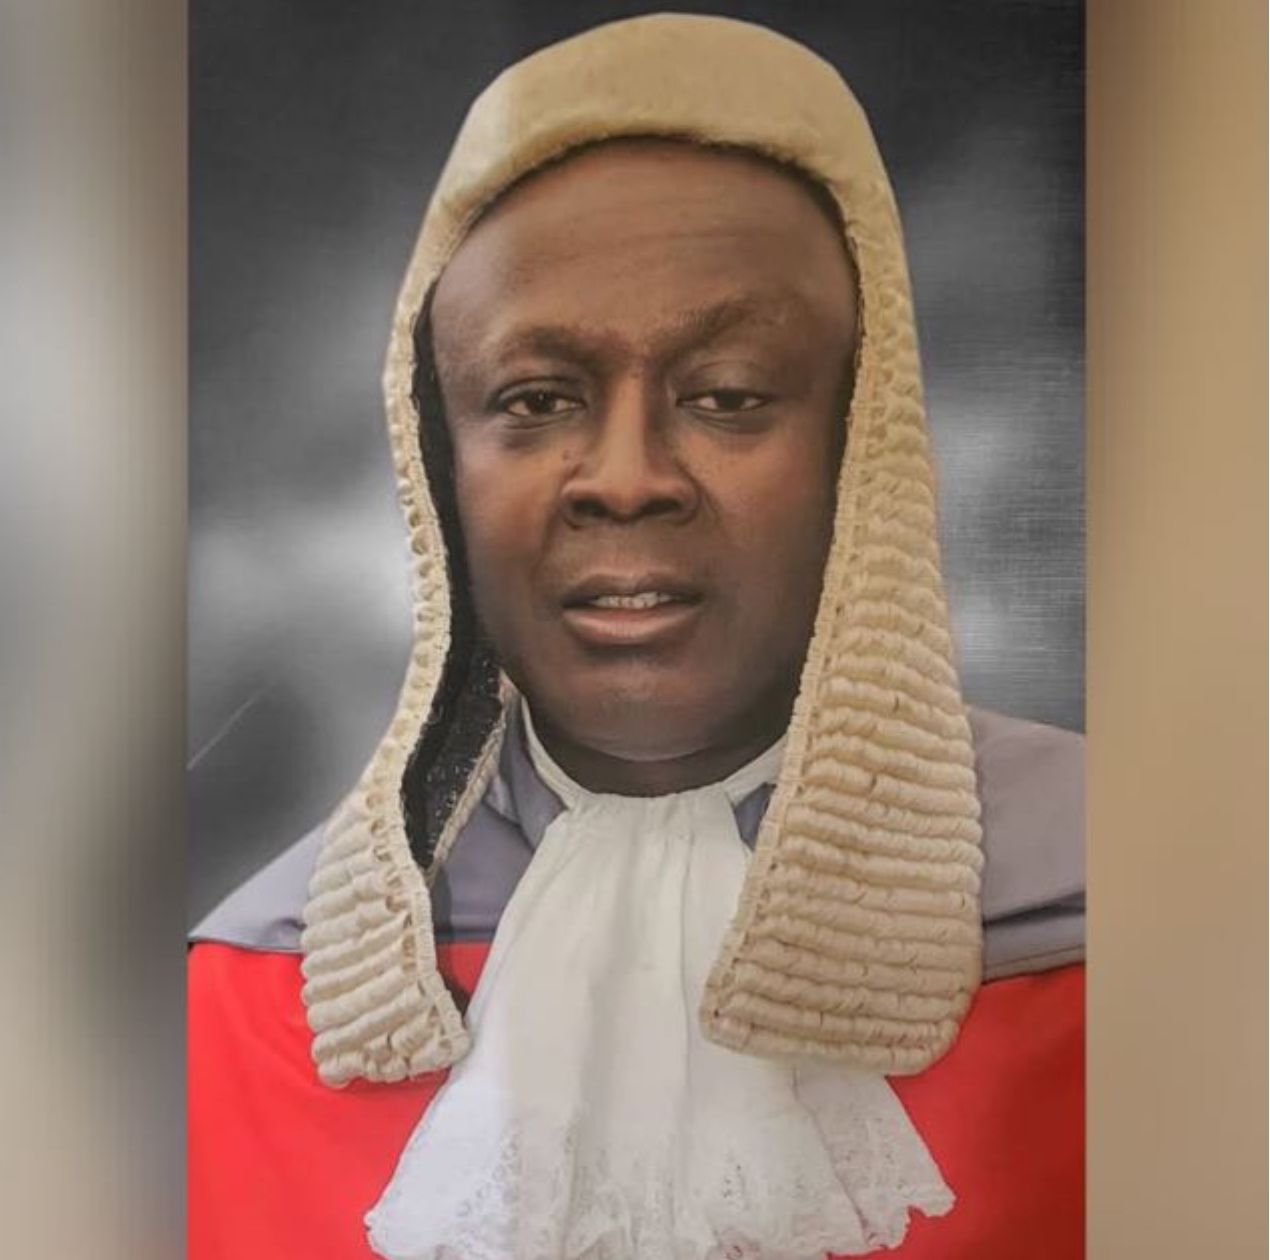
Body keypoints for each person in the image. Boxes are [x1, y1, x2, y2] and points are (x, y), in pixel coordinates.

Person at [189, 14, 1084, 1259]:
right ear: (439, 466)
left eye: (728, 395)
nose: (624, 478)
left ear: (861, 440)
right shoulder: (239, 1000)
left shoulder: (1148, 923)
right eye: (535, 398)